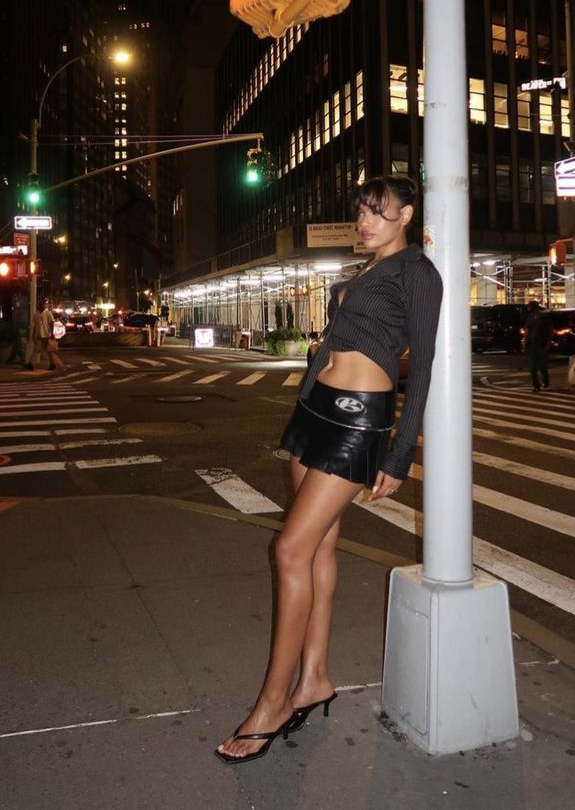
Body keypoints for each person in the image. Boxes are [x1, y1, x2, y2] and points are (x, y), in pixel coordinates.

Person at [215, 176, 443, 764]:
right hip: (315, 412)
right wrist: (302, 408)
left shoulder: (418, 273)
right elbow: (329, 347)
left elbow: (424, 367)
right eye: (362, 212)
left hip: (357, 422)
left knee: (290, 550)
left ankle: (272, 703)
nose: (365, 222)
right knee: (318, 551)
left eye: (379, 212)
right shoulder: (363, 272)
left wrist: (398, 453)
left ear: (407, 215)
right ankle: (314, 676)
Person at [25, 299, 64, 371]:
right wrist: (33, 335)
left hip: (46, 334)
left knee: (49, 351)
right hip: (39, 335)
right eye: (41, 304)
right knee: (36, 350)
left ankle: (53, 364)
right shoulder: (36, 314)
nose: (42, 305)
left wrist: (52, 334)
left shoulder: (48, 313)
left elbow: (51, 323)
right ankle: (31, 364)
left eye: (43, 304)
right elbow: (35, 326)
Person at [523, 301, 552, 392]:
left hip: (542, 344)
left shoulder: (544, 317)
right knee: (532, 368)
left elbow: (550, 331)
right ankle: (536, 386)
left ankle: (545, 380)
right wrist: (525, 344)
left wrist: (548, 344)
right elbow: (527, 331)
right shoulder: (530, 318)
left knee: (542, 366)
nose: (528, 309)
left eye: (529, 307)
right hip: (533, 345)